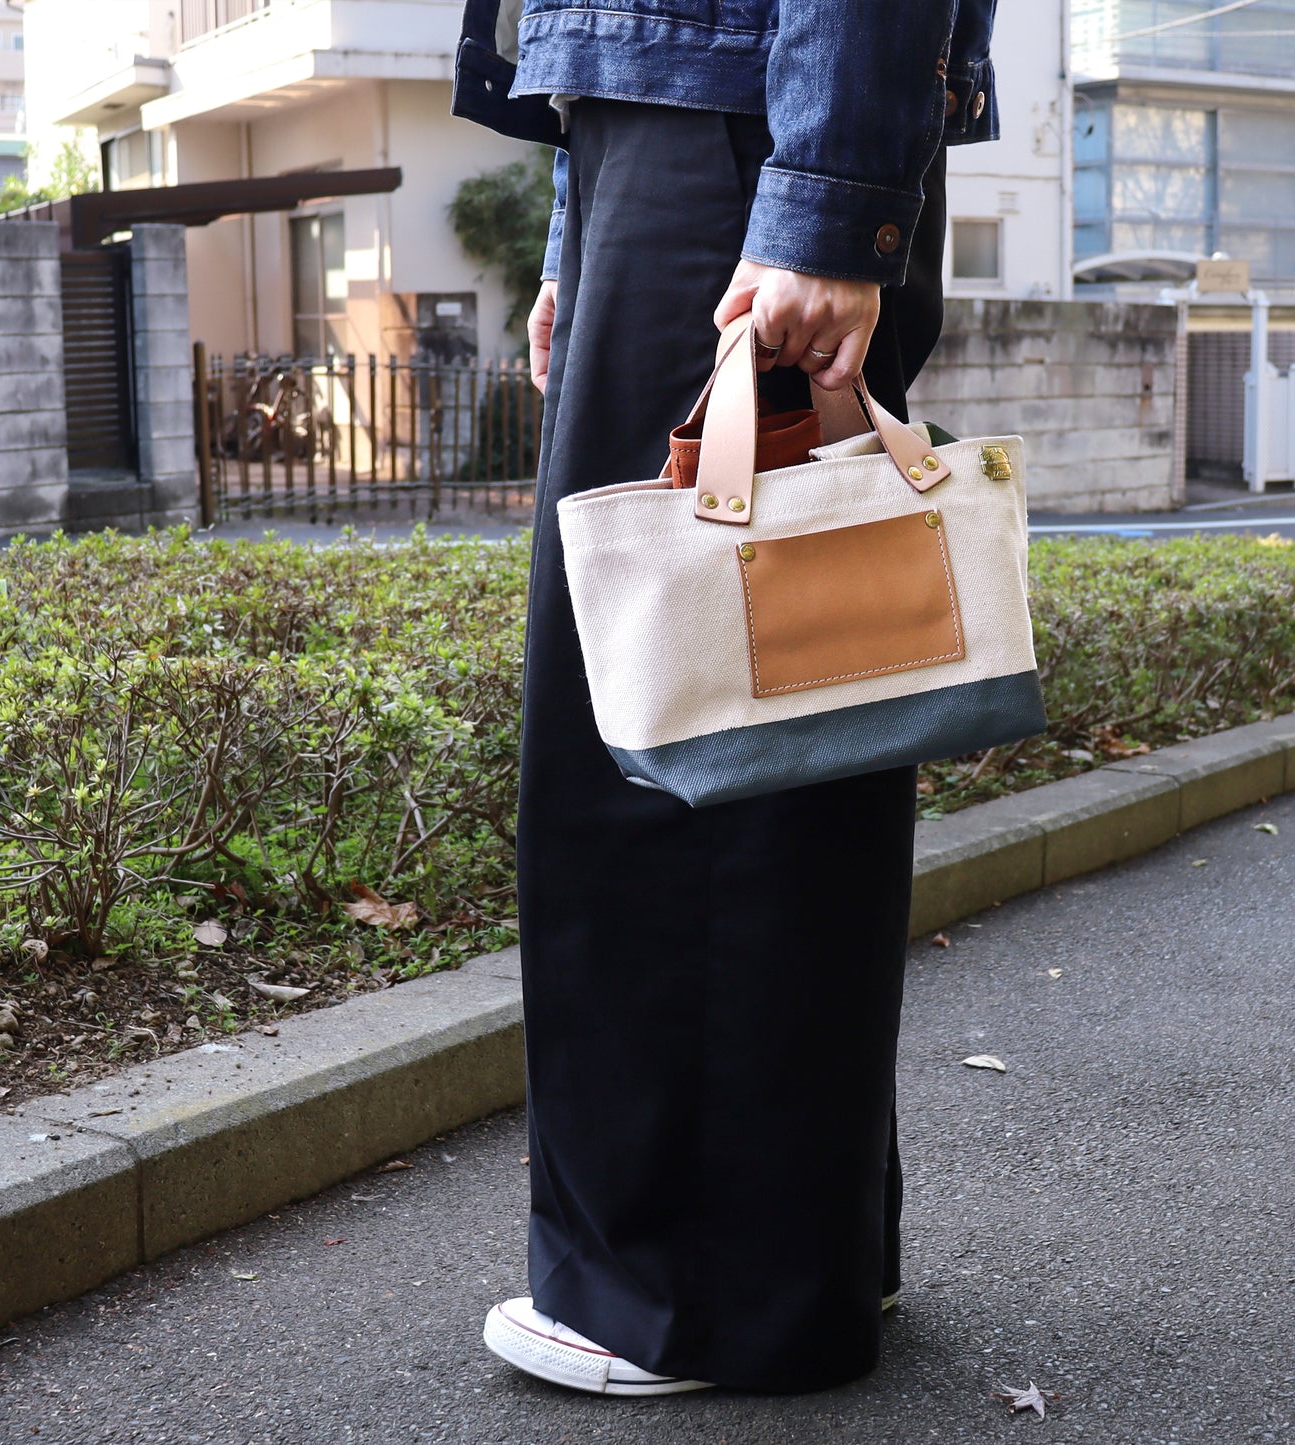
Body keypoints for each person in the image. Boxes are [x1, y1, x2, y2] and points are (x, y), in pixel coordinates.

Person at [452, 0, 1001, 1397]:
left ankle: (684, 1295)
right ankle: (791, 1255)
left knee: (665, 732)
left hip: (740, 131)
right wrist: (579, 221)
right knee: (783, 702)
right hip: (703, 127)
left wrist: (823, 202)